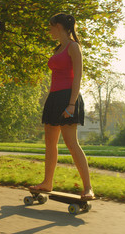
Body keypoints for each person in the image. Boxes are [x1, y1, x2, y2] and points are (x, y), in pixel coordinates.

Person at [30, 13, 95, 200]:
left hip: (68, 97)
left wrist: (72, 104)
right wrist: (52, 100)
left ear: (59, 26)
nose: (49, 30)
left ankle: (88, 188)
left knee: (71, 143)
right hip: (54, 98)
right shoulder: (58, 48)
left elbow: (78, 77)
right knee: (50, 143)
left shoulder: (74, 47)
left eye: (51, 26)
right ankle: (47, 182)